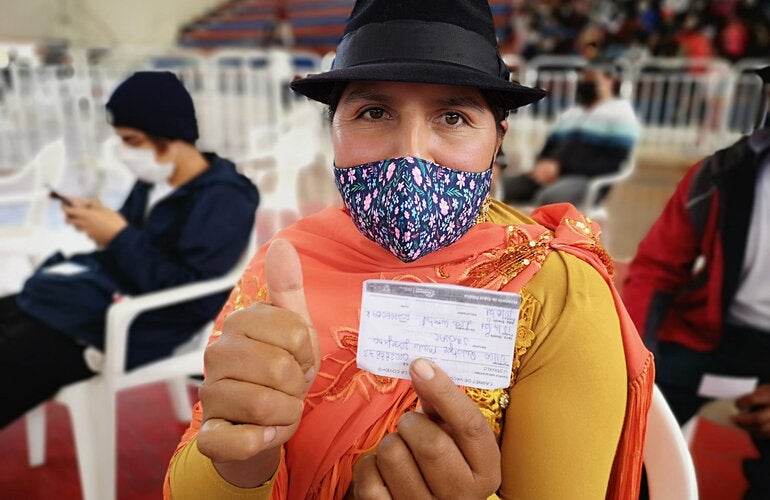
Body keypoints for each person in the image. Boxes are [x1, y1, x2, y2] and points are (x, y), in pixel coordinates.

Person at [165, 1, 653, 499]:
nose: (411, 154)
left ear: (497, 138)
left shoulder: (558, 289)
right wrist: (248, 455)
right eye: (374, 112)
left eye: (453, 117)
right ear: (332, 131)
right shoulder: (288, 264)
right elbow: (201, 470)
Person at [0, 71, 260, 428]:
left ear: (170, 137)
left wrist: (118, 235)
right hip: (99, 299)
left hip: (140, 323)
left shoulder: (225, 198)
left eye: (131, 140)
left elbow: (190, 294)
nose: (124, 151)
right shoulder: (155, 182)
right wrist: (104, 222)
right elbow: (127, 245)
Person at [623, 66, 770, 500]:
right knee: (628, 436)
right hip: (711, 336)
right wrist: (634, 363)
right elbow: (656, 267)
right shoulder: (723, 173)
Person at [502, 60, 640, 207]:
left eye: (592, 78)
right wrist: (544, 166)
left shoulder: (621, 114)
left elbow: (613, 162)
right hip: (551, 173)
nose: (586, 83)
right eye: (584, 78)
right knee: (501, 188)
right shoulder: (572, 113)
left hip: (587, 179)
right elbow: (548, 148)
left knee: (549, 198)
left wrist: (561, 168)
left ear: (609, 81)